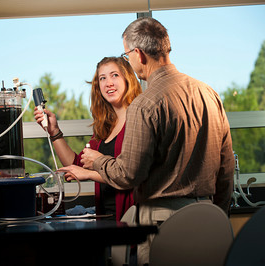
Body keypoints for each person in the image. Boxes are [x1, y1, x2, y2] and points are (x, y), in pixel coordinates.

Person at [70, 17, 235, 265]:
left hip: (164, 222)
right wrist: (217, 215)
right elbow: (226, 169)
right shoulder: (209, 93)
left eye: (127, 56)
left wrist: (99, 161)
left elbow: (129, 175)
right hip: (210, 220)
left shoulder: (145, 104)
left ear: (138, 54)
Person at [34, 56, 142, 221]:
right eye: (102, 78)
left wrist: (89, 174)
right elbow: (77, 166)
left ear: (128, 79)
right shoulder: (104, 128)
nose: (109, 83)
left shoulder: (139, 121)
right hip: (106, 217)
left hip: (131, 217)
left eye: (115, 75)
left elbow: (129, 175)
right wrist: (54, 131)